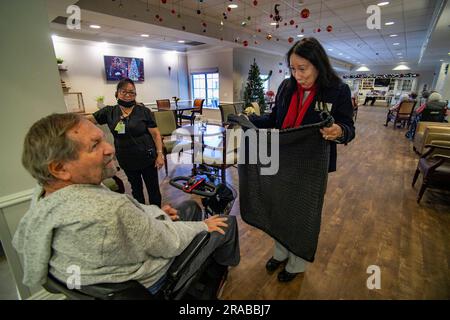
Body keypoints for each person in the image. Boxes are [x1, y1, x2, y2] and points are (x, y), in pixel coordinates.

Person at [12, 113, 240, 294]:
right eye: (95, 145)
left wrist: (155, 213)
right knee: (226, 224)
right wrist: (203, 227)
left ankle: (207, 260)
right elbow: (168, 243)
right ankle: (219, 270)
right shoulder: (110, 210)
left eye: (103, 138)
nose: (110, 148)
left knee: (190, 207)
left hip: (102, 268)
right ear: (60, 168)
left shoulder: (45, 195)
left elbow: (134, 224)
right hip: (148, 280)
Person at [249, 37, 355, 282]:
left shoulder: (337, 89)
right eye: (293, 69)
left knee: (301, 215)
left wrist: (339, 131)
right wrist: (248, 121)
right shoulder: (287, 87)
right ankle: (281, 252)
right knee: (278, 210)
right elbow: (274, 119)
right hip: (282, 159)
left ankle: (297, 264)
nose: (297, 75)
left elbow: (349, 127)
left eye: (302, 69)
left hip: (311, 166)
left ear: (318, 65)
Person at [86, 78, 164, 207]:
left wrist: (159, 154)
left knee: (153, 189)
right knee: (136, 189)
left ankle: (159, 217)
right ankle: (142, 216)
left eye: (132, 92)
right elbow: (87, 121)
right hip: (126, 158)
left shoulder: (144, 111)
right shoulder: (109, 112)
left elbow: (155, 134)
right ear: (117, 93)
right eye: (124, 92)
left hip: (147, 156)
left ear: (135, 94)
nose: (128, 95)